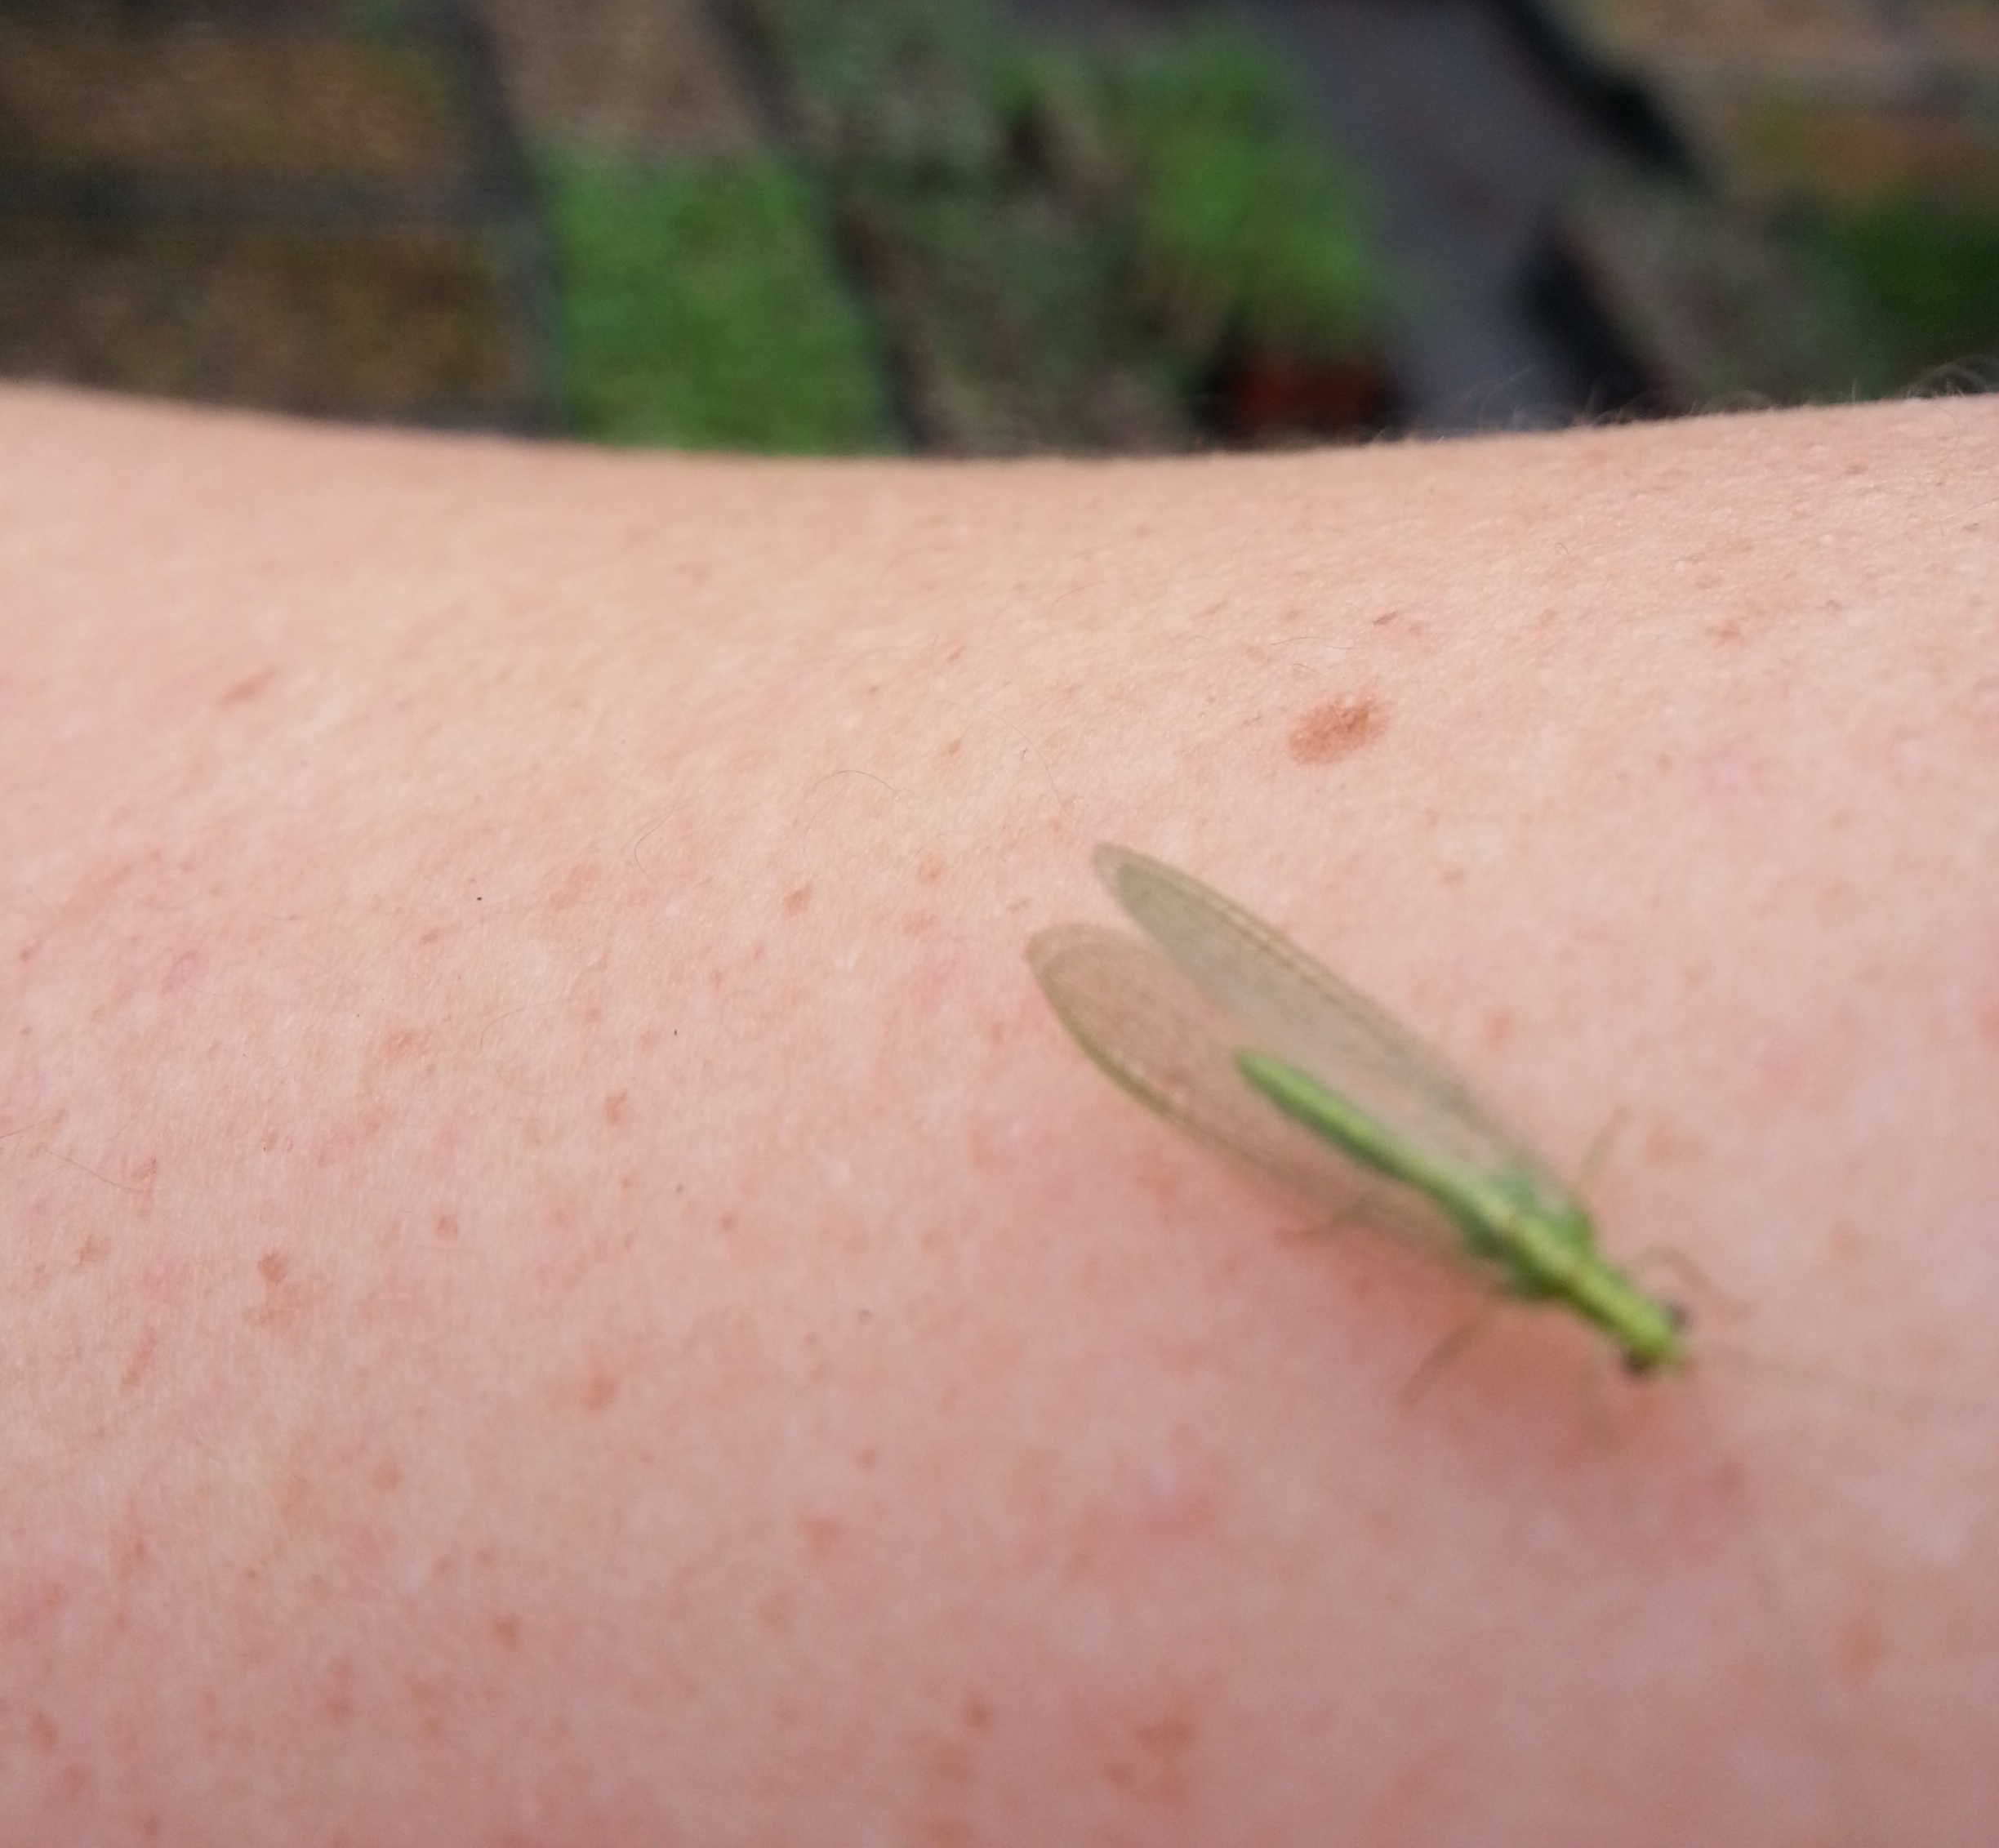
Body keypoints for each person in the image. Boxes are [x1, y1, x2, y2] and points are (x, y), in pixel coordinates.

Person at [2, 378, 1992, 1845]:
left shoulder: (1548, 1267)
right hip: (1430, 1163)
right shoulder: (1547, 1281)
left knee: (1355, 1163)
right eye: (1657, 1328)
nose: (1648, 1324)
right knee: (1340, 1148)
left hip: (1439, 1174)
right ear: (1632, 1311)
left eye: (1649, 1336)